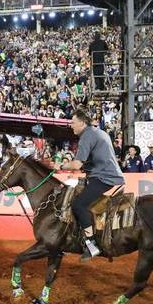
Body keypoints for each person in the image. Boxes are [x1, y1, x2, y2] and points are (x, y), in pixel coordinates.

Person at [58, 108, 125, 262]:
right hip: (105, 175)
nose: (71, 125)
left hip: (104, 178)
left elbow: (76, 165)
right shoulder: (98, 132)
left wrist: (60, 166)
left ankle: (92, 244)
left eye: (73, 123)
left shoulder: (87, 136)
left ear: (82, 122)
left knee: (78, 205)